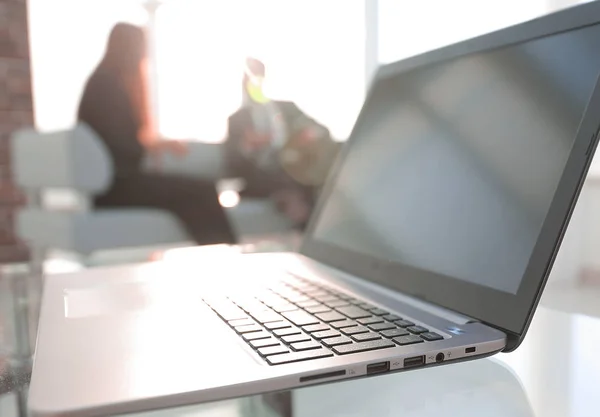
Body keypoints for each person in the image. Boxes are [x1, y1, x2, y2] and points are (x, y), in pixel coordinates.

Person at [78, 23, 235, 245]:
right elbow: (123, 148)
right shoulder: (108, 86)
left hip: (113, 184)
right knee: (200, 191)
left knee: (196, 193)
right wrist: (151, 147)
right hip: (115, 187)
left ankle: (221, 251)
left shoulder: (106, 81)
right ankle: (228, 256)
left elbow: (120, 141)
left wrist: (158, 145)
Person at [224, 57, 339, 229]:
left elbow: (321, 130)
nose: (251, 80)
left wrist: (308, 133)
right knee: (289, 182)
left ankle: (315, 222)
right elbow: (232, 162)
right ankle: (300, 215)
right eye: (247, 75)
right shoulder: (236, 120)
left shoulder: (287, 108)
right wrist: (247, 147)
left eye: (256, 75)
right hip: (261, 175)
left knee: (317, 178)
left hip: (298, 168)